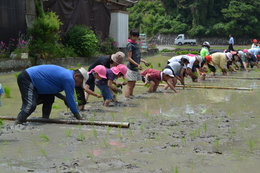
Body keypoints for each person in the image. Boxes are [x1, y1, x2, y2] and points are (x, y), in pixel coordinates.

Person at [15, 65, 89, 124]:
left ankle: (45, 119)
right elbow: (71, 99)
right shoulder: (69, 78)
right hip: (28, 78)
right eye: (80, 82)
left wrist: (63, 98)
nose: (78, 85)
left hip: (37, 83)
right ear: (76, 76)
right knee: (30, 105)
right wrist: (79, 117)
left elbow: (51, 89)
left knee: (49, 98)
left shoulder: (66, 75)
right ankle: (18, 122)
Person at [125, 28, 149, 98]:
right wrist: (137, 64)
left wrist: (143, 61)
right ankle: (127, 99)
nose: (135, 38)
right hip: (131, 68)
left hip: (135, 68)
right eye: (134, 36)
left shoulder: (135, 44)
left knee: (133, 85)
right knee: (129, 86)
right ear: (131, 36)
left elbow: (136, 57)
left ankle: (131, 96)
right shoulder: (130, 44)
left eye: (137, 36)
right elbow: (129, 58)